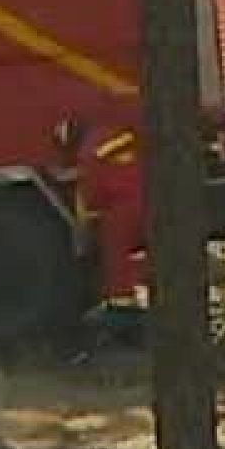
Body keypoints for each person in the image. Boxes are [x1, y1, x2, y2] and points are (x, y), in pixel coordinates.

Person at [55, 115, 148, 324]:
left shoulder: (87, 153)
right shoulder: (115, 132)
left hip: (122, 210)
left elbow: (92, 196)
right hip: (149, 197)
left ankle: (122, 306)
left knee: (116, 252)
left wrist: (85, 229)